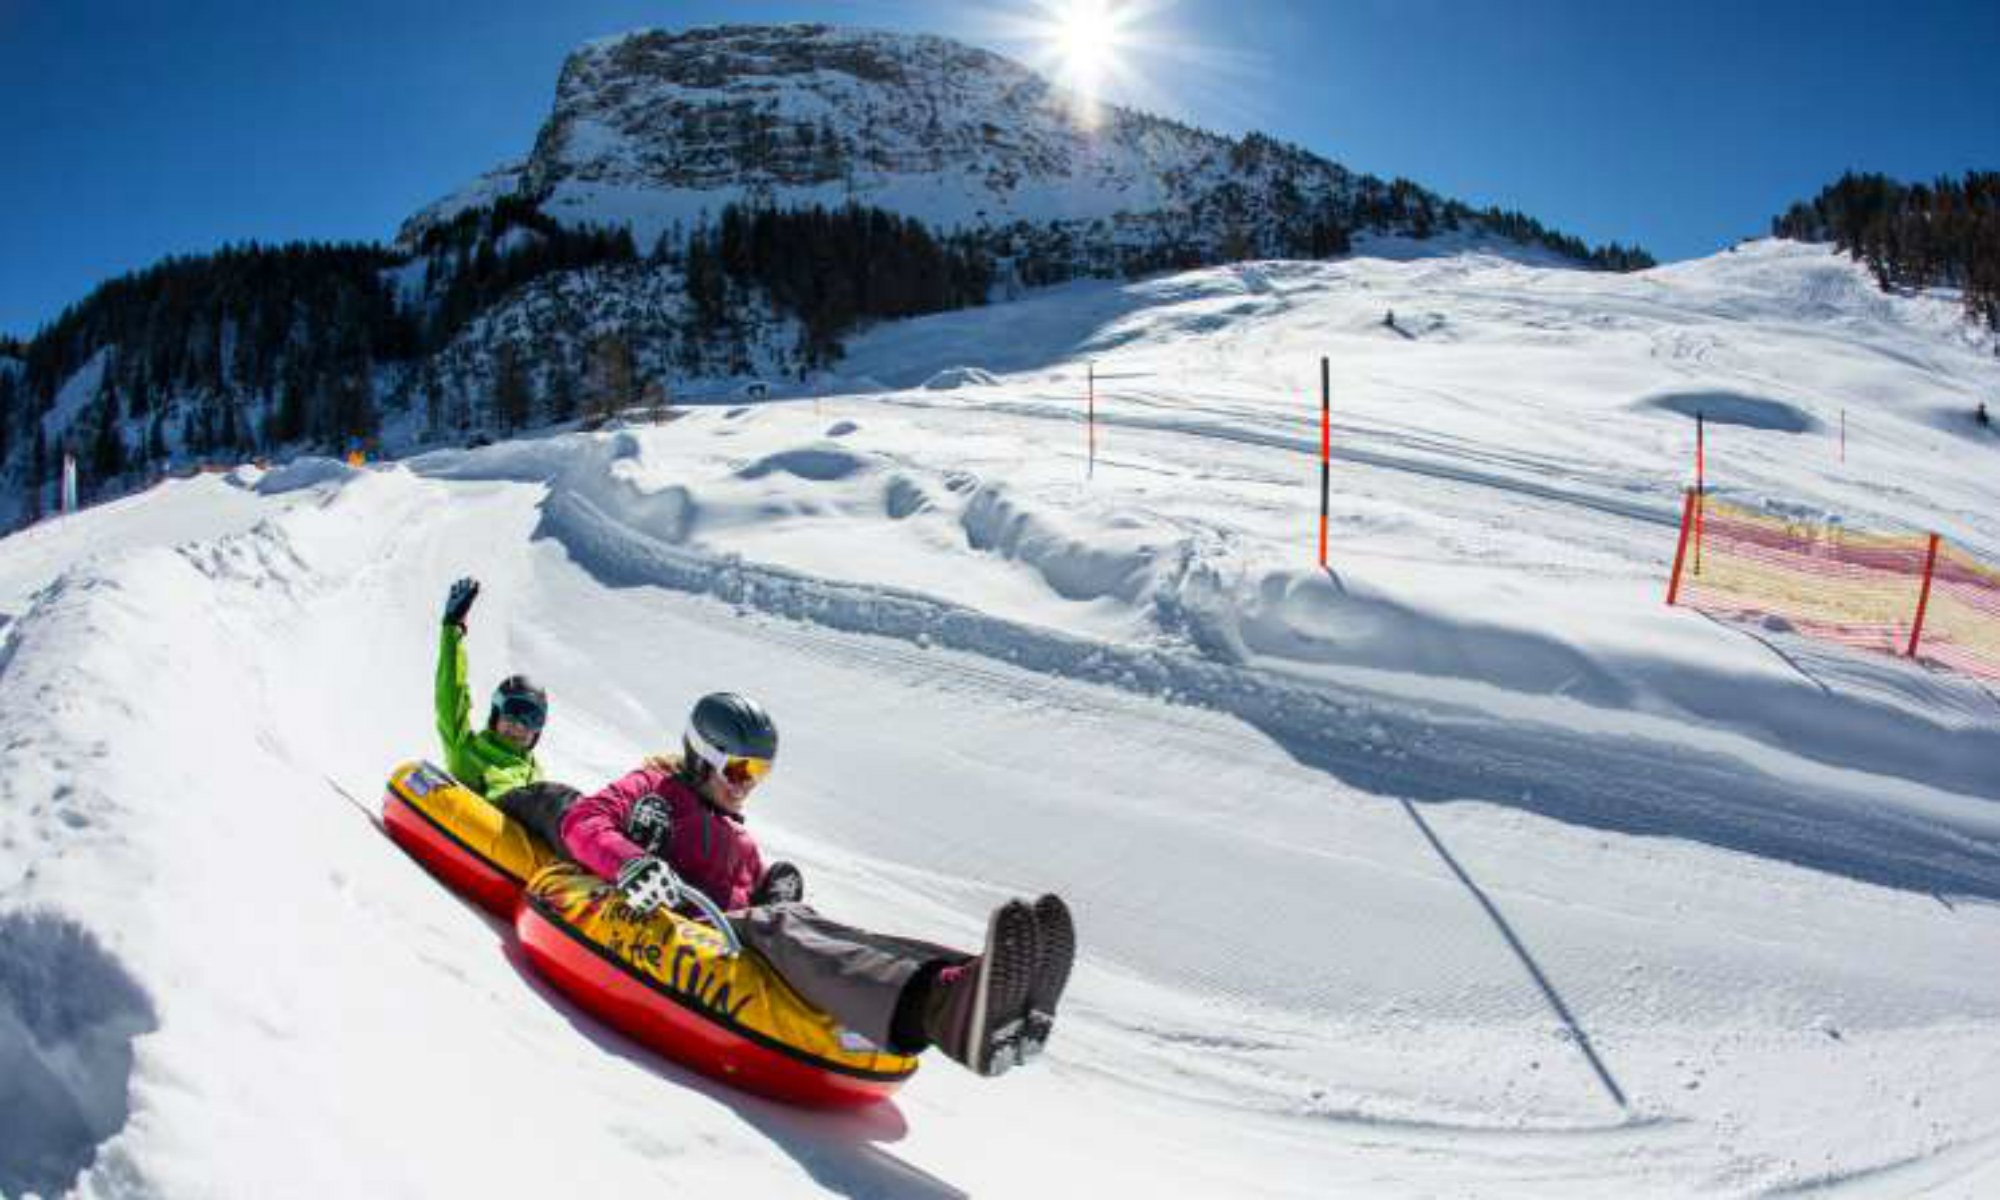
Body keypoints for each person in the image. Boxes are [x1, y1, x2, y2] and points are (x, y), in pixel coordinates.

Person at [556, 691, 1077, 1077]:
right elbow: (583, 821)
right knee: (783, 924)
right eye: (739, 770)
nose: (748, 785)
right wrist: (629, 862)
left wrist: (768, 889)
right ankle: (942, 1011)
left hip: (739, 930)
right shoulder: (658, 787)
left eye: (759, 772)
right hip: (689, 927)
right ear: (702, 755)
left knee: (830, 928)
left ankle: (970, 987)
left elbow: (749, 890)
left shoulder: (739, 836)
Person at [435, 577, 547, 800]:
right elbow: (450, 693)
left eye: (531, 718)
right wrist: (452, 629)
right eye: (514, 711)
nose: (519, 725)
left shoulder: (534, 775)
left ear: (537, 731)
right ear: (496, 713)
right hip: (489, 807)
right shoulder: (466, 748)